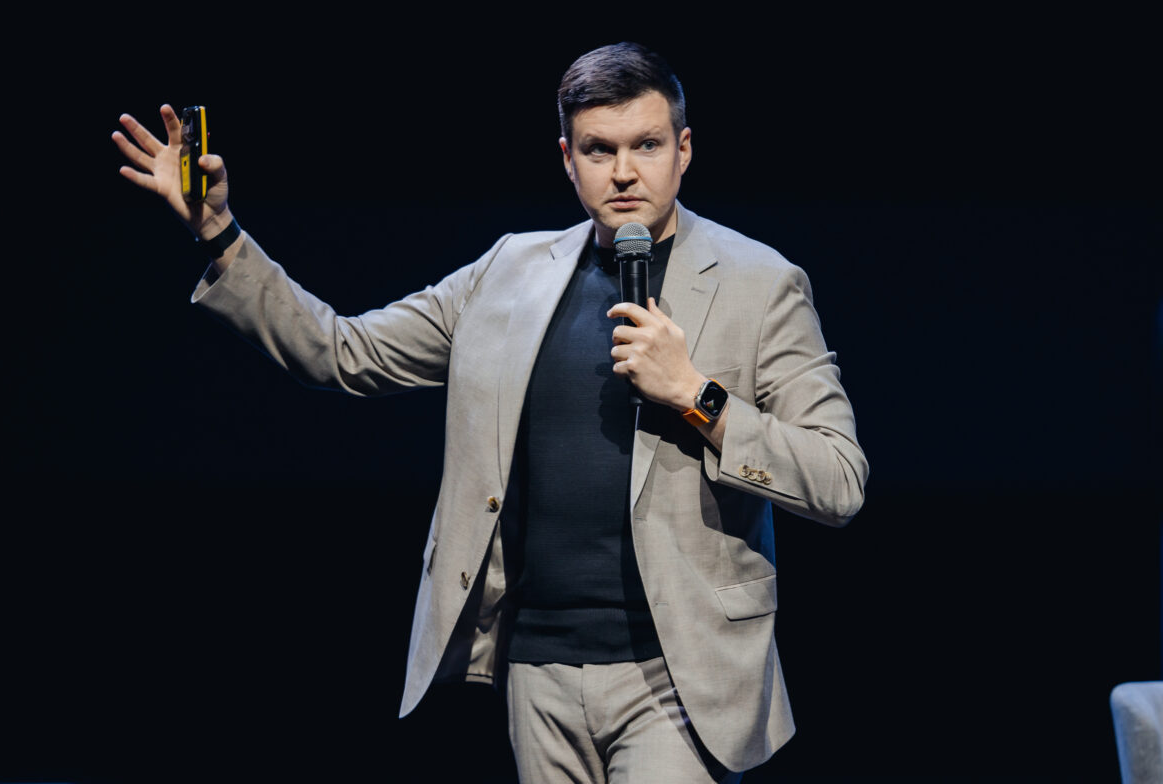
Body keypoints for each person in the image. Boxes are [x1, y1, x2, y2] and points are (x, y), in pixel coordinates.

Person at [112, 42, 867, 783]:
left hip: (681, 676)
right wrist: (219, 233)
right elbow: (340, 351)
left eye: (647, 144)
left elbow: (838, 480)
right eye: (599, 150)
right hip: (537, 670)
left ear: (685, 149)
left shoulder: (760, 283)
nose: (625, 171)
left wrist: (698, 395)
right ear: (567, 158)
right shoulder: (507, 273)